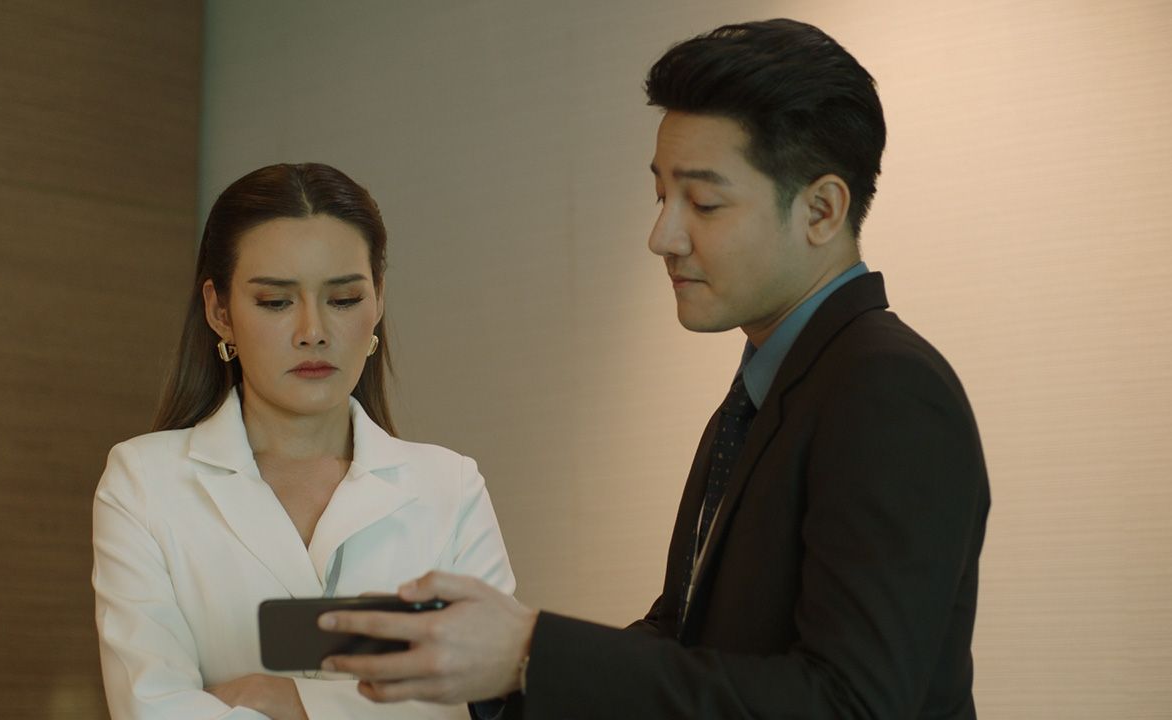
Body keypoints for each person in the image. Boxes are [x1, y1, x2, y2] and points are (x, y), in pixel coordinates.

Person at [320, 19, 991, 720]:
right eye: (661, 197)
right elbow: (683, 638)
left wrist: (529, 652)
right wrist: (492, 668)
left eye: (703, 203)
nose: (662, 236)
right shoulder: (770, 390)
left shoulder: (888, 390)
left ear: (821, 210)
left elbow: (851, 705)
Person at [92, 163, 515, 719]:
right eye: (276, 302)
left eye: (344, 299)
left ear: (378, 300)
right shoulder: (144, 482)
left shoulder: (450, 488)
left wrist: (293, 702)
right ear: (220, 311)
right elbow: (153, 708)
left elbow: (488, 694)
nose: (313, 331)